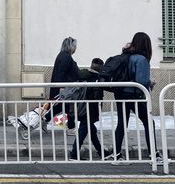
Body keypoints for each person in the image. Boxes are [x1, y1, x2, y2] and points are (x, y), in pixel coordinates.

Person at [109, 32, 162, 164]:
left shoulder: (127, 55)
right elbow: (141, 81)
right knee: (149, 122)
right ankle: (154, 155)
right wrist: (150, 83)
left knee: (122, 123)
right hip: (134, 95)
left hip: (121, 93)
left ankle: (116, 154)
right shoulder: (141, 59)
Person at [69, 58, 104, 160]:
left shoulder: (82, 74)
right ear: (101, 68)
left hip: (80, 106)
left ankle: (102, 152)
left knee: (92, 130)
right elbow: (97, 97)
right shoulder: (96, 79)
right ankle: (74, 154)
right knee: (83, 130)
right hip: (90, 109)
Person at [47, 37, 80, 135]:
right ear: (71, 46)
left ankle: (45, 119)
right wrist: (61, 88)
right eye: (75, 46)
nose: (76, 49)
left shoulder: (63, 56)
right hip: (65, 89)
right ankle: (70, 128)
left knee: (63, 107)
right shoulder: (66, 57)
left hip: (64, 88)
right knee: (69, 108)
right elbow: (61, 73)